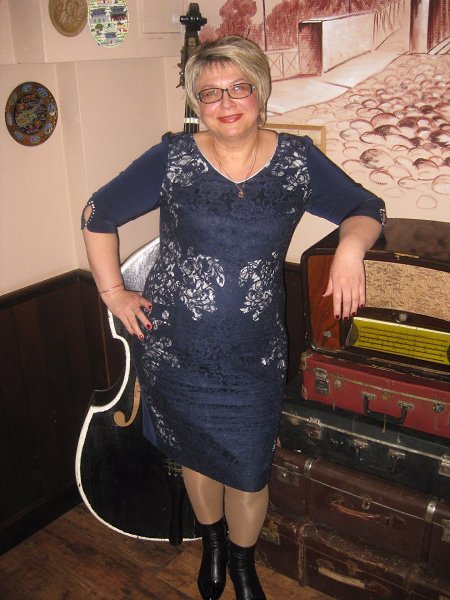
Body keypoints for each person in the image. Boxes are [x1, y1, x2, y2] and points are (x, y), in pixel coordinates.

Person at [81, 35, 385, 600]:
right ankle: (214, 545)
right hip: (175, 349)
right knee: (196, 456)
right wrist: (114, 293)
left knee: (248, 469)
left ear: (259, 91)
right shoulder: (173, 158)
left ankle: (243, 563)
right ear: (196, 102)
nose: (225, 102)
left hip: (253, 354)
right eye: (209, 92)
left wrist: (350, 247)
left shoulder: (296, 161)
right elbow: (97, 213)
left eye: (238, 87)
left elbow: (365, 207)